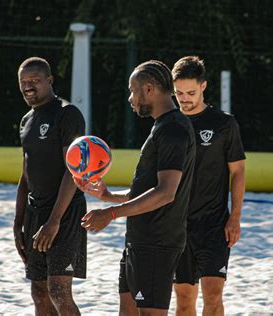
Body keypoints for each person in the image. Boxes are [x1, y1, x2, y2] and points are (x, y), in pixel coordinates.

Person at [75, 60, 196, 316]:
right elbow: (148, 191)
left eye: (133, 90)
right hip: (139, 240)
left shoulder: (173, 129)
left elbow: (166, 193)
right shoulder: (162, 126)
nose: (130, 98)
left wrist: (111, 213)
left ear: (150, 89)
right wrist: (108, 196)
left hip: (157, 242)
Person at [171, 56, 246, 316]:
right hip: (178, 225)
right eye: (179, 93)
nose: (184, 98)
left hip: (214, 225)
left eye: (190, 92)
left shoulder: (224, 124)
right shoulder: (169, 124)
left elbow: (237, 172)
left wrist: (235, 217)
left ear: (203, 86)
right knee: (183, 299)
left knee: (213, 296)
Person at [13, 57, 87, 315]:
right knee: (39, 291)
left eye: (34, 80)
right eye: (23, 82)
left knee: (58, 290)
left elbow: (73, 170)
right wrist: (18, 222)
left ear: (50, 81)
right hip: (36, 213)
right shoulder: (26, 121)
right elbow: (26, 176)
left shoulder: (67, 114)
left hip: (65, 213)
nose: (28, 86)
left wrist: (54, 221)